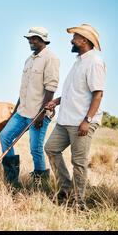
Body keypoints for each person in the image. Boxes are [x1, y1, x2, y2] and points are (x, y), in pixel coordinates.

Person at [44, 24, 106, 210]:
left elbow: (98, 94)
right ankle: (65, 189)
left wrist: (87, 121)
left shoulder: (95, 62)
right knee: (51, 149)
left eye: (75, 37)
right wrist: (57, 101)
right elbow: (76, 92)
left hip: (81, 122)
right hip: (65, 120)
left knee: (79, 163)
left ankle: (79, 204)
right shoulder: (78, 61)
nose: (72, 40)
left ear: (84, 41)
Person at [0, 27, 60, 188]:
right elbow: (24, 90)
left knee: (35, 149)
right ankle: (12, 180)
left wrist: (41, 113)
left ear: (43, 40)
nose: (30, 41)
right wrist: (14, 112)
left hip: (38, 113)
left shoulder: (50, 58)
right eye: (29, 38)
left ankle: (41, 184)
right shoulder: (29, 60)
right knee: (4, 136)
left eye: (34, 38)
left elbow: (51, 88)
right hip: (22, 111)